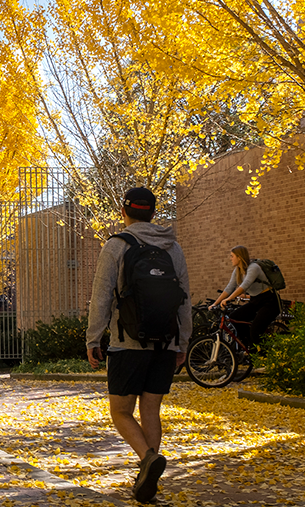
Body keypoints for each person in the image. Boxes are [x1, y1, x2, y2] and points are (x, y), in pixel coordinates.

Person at [85, 187, 191, 504]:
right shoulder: (173, 248)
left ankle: (147, 459)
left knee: (120, 412)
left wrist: (93, 338)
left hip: (126, 343)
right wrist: (182, 342)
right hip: (165, 345)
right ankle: (148, 476)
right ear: (153, 212)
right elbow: (184, 300)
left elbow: (101, 297)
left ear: (124, 211)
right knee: (151, 410)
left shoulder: (117, 246)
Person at [210, 246, 278, 349]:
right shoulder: (238, 270)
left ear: (239, 257)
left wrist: (228, 299)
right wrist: (215, 303)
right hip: (255, 301)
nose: (230, 258)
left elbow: (244, 286)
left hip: (269, 301)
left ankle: (261, 355)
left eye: (232, 256)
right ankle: (248, 347)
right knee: (234, 317)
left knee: (255, 328)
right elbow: (229, 288)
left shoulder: (253, 267)